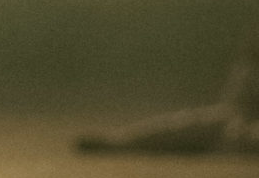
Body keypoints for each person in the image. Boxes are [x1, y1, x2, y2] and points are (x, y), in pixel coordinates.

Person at [76, 34, 259, 154]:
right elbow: (237, 106)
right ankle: (119, 142)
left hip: (245, 132)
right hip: (236, 122)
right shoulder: (248, 65)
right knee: (184, 124)